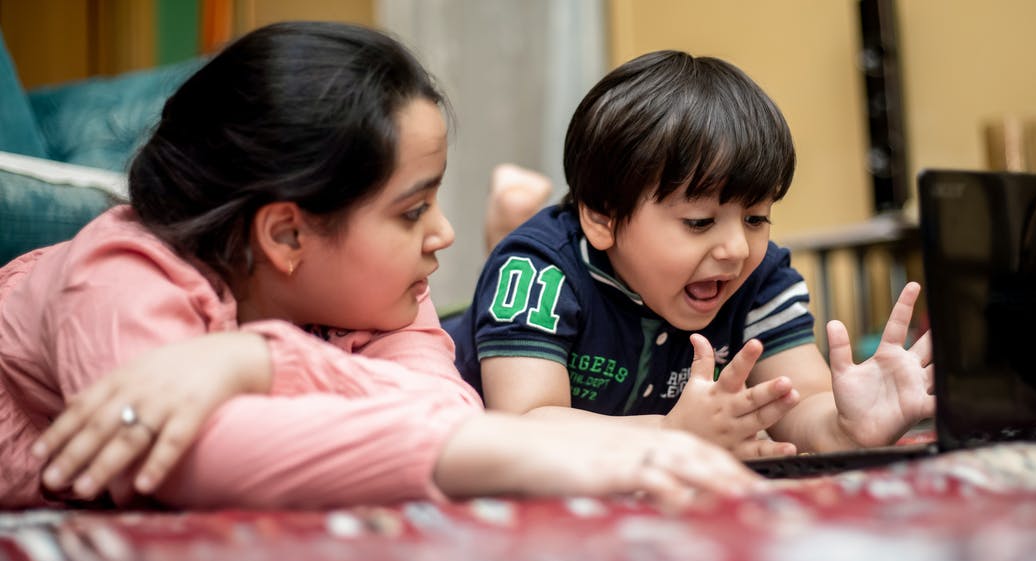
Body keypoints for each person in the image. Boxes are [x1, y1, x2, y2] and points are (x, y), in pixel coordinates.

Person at [0, 22, 763, 510]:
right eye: (411, 211)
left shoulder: (382, 295)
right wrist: (556, 453)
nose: (443, 234)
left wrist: (249, 359)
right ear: (287, 236)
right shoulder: (116, 275)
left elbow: (447, 413)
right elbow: (187, 460)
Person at [447, 50, 936, 457]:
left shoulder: (761, 279)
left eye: (756, 218)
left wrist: (850, 424)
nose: (737, 249)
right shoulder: (537, 273)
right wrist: (672, 435)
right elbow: (523, 425)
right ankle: (510, 214)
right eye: (699, 222)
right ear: (602, 216)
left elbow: (804, 404)